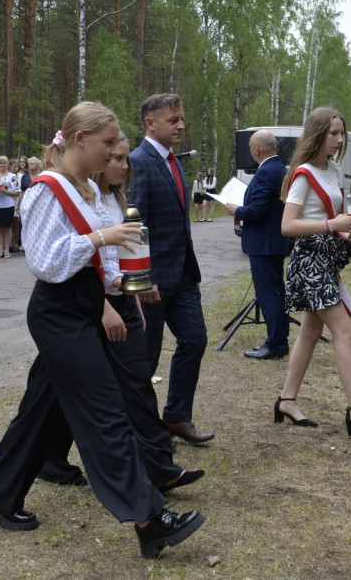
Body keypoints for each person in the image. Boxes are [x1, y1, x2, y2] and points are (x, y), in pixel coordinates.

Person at [0, 101, 205, 560]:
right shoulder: (47, 190)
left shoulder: (89, 192)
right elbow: (44, 262)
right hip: (60, 312)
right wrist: (102, 239)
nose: (114, 154)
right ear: (79, 140)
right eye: (106, 144)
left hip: (82, 304)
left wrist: (122, 282)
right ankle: (148, 517)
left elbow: (100, 263)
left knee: (41, 411)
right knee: (105, 414)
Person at [40, 133, 204, 494]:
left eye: (125, 159)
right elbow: (81, 264)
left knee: (133, 384)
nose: (125, 166)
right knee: (56, 394)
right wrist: (105, 307)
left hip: (116, 301)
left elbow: (125, 256)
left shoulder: (116, 199)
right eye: (117, 158)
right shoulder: (86, 201)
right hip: (85, 306)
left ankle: (158, 466)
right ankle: (42, 461)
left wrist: (133, 295)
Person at [274, 107, 351, 436]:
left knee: (310, 334)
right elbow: (287, 226)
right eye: (334, 134)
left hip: (327, 259)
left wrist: (345, 231)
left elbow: (332, 219)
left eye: (342, 133)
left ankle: (286, 400)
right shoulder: (303, 173)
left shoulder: (333, 169)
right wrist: (332, 224)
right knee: (345, 331)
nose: (340, 140)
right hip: (309, 261)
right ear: (317, 134)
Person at [128, 93, 213, 444]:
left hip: (182, 275)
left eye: (182, 119)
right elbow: (133, 225)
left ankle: (177, 417)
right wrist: (141, 278)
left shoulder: (173, 161)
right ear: (151, 123)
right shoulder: (138, 161)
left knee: (194, 340)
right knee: (144, 361)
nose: (181, 125)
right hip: (153, 282)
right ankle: (139, 434)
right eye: (173, 120)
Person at [225, 130, 290, 359]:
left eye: (251, 147)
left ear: (257, 150)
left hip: (264, 244)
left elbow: (258, 210)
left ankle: (276, 344)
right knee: (276, 292)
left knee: (269, 295)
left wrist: (237, 210)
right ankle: (279, 340)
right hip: (273, 242)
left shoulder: (266, 172)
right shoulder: (279, 168)